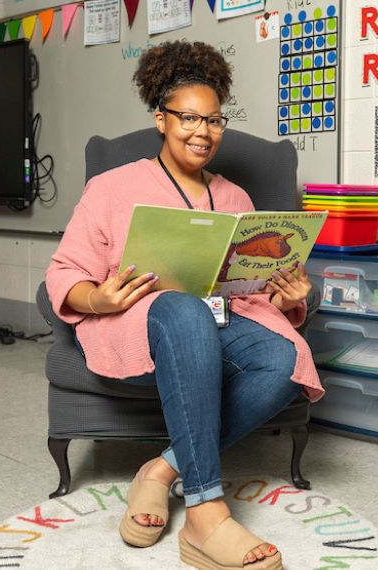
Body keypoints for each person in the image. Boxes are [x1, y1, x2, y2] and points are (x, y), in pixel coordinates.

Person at [45, 41, 323, 570]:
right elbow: (64, 274)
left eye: (214, 121)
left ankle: (161, 472)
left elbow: (251, 287)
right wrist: (98, 298)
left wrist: (287, 295)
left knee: (284, 360)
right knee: (183, 308)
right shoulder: (109, 188)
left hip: (221, 319)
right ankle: (205, 511)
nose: (203, 132)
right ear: (160, 118)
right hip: (140, 324)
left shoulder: (236, 196)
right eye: (189, 118)